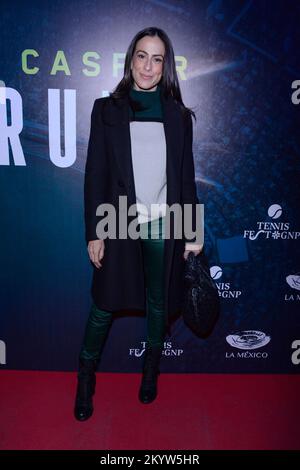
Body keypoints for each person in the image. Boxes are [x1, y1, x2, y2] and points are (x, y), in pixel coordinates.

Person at [74, 26, 203, 421]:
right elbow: (95, 173)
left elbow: (185, 177)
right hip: (118, 221)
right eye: (142, 56)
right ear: (131, 59)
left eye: (157, 58)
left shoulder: (178, 115)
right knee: (103, 305)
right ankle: (85, 380)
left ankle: (150, 374)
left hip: (165, 223)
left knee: (159, 306)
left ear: (166, 66)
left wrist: (193, 230)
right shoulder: (106, 109)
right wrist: (95, 231)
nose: (148, 66)